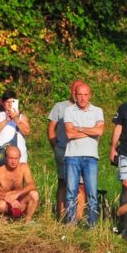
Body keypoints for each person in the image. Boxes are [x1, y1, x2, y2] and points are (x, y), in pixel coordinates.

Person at [63, 81, 105, 226]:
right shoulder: (69, 111)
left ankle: (92, 226)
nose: (82, 98)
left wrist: (79, 128)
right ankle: (71, 224)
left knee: (92, 193)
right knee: (70, 193)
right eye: (79, 94)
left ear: (90, 96)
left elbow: (99, 131)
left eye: (85, 95)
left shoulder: (97, 111)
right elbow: (69, 134)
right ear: (75, 95)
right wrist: (90, 131)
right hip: (72, 156)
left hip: (91, 157)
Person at [48, 81, 84, 220]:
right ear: (71, 91)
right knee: (63, 183)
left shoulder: (87, 109)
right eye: (75, 91)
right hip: (63, 150)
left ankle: (79, 217)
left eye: (80, 92)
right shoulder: (60, 106)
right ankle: (62, 215)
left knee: (81, 185)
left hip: (81, 153)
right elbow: (51, 128)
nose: (77, 94)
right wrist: (55, 146)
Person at [0, 145, 39, 222]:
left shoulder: (24, 167)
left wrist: (17, 194)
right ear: (5, 158)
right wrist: (8, 199)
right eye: (10, 158)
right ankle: (3, 218)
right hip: (4, 202)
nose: (13, 161)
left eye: (16, 158)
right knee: (1, 205)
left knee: (34, 194)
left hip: (19, 201)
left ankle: (27, 221)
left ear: (19, 158)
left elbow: (32, 185)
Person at [0, 90, 30, 167]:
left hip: (19, 157)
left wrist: (16, 120)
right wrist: (6, 120)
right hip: (1, 155)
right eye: (8, 102)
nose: (10, 104)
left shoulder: (22, 117)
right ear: (3, 103)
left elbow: (26, 132)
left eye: (13, 102)